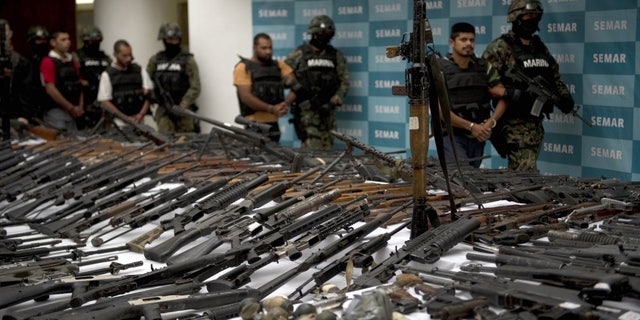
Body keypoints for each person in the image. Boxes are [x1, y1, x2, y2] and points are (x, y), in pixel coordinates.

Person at [482, 0, 574, 171]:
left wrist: (564, 96)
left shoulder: (539, 47)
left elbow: (554, 76)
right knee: (525, 176)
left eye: (535, 16)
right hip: (513, 124)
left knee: (524, 175)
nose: (533, 19)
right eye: (528, 16)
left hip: (535, 126)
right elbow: (484, 83)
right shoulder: (500, 48)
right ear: (516, 18)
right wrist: (513, 93)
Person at [437, 22, 508, 168]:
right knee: (460, 175)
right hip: (452, 136)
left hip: (478, 137)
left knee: (472, 178)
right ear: (452, 42)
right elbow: (441, 112)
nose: (468, 43)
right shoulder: (440, 69)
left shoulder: (484, 67)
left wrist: (490, 123)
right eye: (463, 40)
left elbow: (504, 97)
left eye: (471, 40)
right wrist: (471, 126)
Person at [285, 15, 349, 151]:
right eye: (320, 33)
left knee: (327, 148)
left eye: (327, 34)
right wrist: (295, 85)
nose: (323, 36)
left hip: (327, 110)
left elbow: (344, 80)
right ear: (313, 33)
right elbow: (284, 72)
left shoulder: (335, 55)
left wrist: (333, 102)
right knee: (311, 150)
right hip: (307, 111)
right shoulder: (300, 53)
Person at [233, 33, 296, 142]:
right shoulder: (243, 67)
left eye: (270, 47)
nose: (268, 51)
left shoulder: (279, 65)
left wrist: (285, 104)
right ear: (255, 48)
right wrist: (271, 109)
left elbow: (296, 85)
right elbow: (246, 97)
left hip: (273, 124)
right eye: (264, 48)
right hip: (253, 124)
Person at [147, 22, 201, 133]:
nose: (173, 42)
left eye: (176, 39)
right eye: (170, 39)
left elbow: (195, 86)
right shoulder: (155, 60)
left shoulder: (188, 61)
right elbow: (146, 81)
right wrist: (153, 96)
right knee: (164, 141)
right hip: (164, 110)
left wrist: (184, 104)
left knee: (186, 142)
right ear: (163, 40)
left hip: (183, 110)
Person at [97, 40, 152, 125]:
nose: (128, 59)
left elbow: (149, 95)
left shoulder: (139, 70)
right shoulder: (107, 74)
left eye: (130, 55)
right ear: (115, 54)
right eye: (124, 56)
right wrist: (124, 118)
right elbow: (104, 101)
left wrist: (141, 114)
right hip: (119, 122)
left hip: (139, 120)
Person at [40, 29, 84, 133]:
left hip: (75, 111)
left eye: (68, 39)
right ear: (53, 42)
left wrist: (80, 106)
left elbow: (79, 84)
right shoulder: (48, 61)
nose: (67, 42)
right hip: (56, 111)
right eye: (63, 40)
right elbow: (50, 89)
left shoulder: (72, 60)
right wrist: (71, 108)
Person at [0, 19, 33, 138]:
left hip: (13, 116)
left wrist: (23, 116)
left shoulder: (21, 62)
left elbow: (26, 91)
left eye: (4, 31)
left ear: (10, 33)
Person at [74, 25, 112, 129]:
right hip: (85, 103)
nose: (95, 44)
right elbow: (74, 79)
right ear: (85, 41)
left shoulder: (106, 58)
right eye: (92, 41)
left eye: (97, 41)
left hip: (103, 104)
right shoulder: (77, 57)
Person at [24, 25, 50, 122]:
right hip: (30, 102)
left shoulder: (51, 59)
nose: (42, 43)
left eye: (44, 40)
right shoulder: (25, 61)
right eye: (38, 40)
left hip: (49, 102)